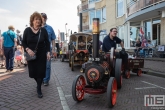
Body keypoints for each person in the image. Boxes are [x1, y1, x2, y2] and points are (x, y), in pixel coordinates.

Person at [22, 12, 50, 98]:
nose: (37, 21)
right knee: (33, 72)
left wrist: (48, 52)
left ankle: (39, 89)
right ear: (32, 20)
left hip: (41, 53)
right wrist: (27, 49)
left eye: (39, 19)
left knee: (41, 72)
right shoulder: (27, 30)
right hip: (31, 54)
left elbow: (47, 42)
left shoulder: (43, 30)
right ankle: (39, 82)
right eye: (36, 19)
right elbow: (23, 42)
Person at [41, 13, 56, 86]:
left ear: (46, 19)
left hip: (48, 50)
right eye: (41, 17)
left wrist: (53, 49)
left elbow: (53, 39)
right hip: (39, 50)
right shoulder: (36, 27)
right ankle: (40, 79)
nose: (43, 19)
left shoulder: (50, 28)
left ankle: (46, 80)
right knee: (40, 65)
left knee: (47, 65)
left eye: (44, 18)